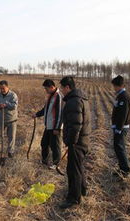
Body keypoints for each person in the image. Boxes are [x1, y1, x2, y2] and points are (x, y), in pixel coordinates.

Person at [59, 76, 91, 209]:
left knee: (73, 170)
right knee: (78, 167)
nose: (61, 90)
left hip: (76, 143)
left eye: (62, 88)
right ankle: (82, 189)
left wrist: (70, 142)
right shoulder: (82, 98)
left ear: (67, 87)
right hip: (83, 140)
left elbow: (76, 125)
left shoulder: (73, 101)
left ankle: (73, 199)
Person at [32, 79, 63, 170]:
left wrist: (57, 128)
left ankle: (56, 163)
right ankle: (44, 160)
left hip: (55, 127)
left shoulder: (59, 97)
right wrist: (37, 114)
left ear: (52, 87)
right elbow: (45, 109)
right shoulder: (50, 96)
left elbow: (60, 114)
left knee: (55, 146)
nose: (45, 90)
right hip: (48, 125)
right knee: (44, 143)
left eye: (46, 89)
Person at [111, 75, 130, 177]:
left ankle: (125, 170)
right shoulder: (120, 95)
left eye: (115, 86)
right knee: (119, 147)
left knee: (119, 147)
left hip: (122, 128)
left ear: (120, 86)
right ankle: (122, 168)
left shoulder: (124, 97)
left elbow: (123, 115)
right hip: (120, 127)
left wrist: (118, 128)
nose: (114, 88)